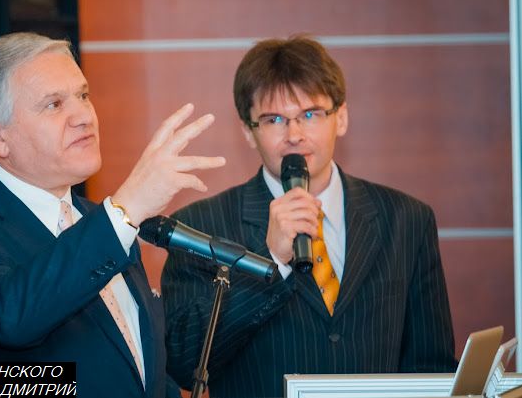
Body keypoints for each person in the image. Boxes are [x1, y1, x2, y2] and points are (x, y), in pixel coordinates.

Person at [0, 32, 224, 398]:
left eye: (83, 95)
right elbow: (11, 316)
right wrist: (126, 209)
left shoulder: (102, 221)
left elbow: (141, 368)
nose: (84, 116)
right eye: (54, 104)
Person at [161, 36, 457, 398]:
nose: (294, 135)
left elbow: (431, 367)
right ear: (248, 132)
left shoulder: (406, 221)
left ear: (341, 117)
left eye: (311, 114)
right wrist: (271, 258)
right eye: (274, 119)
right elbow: (184, 361)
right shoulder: (199, 229)